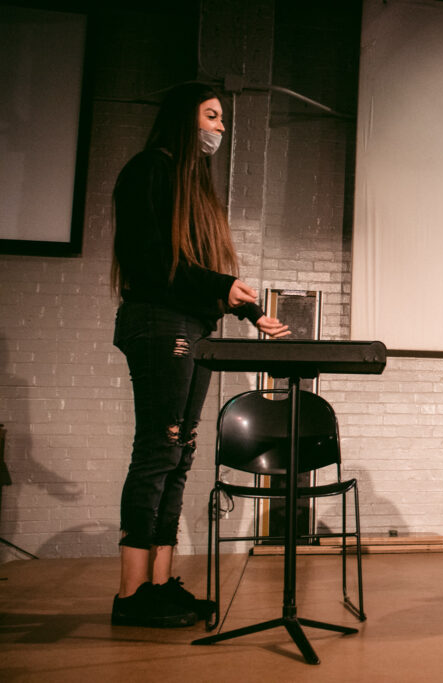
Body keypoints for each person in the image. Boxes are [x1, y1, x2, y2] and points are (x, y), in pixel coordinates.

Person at [110, 82, 290, 627]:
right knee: (158, 451)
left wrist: (244, 309)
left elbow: (192, 275)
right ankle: (131, 593)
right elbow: (153, 263)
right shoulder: (150, 171)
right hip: (158, 324)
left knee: (181, 452)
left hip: (190, 323)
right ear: (183, 120)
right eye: (211, 116)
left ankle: (159, 584)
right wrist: (224, 285)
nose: (220, 127)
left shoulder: (193, 187)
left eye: (221, 118)